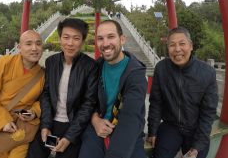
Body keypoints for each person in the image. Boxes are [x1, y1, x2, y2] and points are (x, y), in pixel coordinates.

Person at [26, 18, 98, 158]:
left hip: (74, 126)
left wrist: (69, 137)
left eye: (76, 38)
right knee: (34, 153)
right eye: (66, 37)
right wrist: (45, 125)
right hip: (51, 122)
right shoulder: (51, 62)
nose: (70, 43)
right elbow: (46, 94)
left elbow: (88, 104)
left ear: (82, 42)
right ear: (60, 39)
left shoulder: (90, 66)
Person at [79, 19, 147, 158]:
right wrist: (94, 119)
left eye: (111, 37)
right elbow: (86, 100)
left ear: (122, 39)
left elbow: (131, 117)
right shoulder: (95, 67)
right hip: (97, 127)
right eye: (100, 39)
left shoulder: (135, 73)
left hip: (126, 128)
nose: (105, 44)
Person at [147, 27, 218, 158]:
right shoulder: (162, 69)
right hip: (170, 125)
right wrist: (152, 131)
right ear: (168, 48)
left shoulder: (207, 73)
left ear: (191, 46)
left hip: (196, 128)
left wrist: (198, 146)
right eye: (172, 45)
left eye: (182, 43)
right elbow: (156, 103)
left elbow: (208, 112)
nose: (177, 49)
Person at [0, 30, 45, 158]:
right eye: (28, 44)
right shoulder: (4, 63)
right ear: (19, 48)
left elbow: (45, 100)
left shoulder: (43, 74)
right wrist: (3, 121)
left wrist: (34, 111)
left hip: (22, 128)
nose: (34, 48)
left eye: (38, 44)